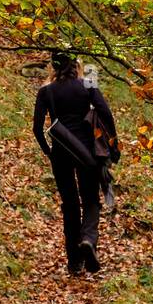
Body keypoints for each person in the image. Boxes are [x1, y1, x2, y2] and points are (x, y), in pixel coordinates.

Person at [33, 51, 119, 275]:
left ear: (53, 66)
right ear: (75, 64)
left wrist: (48, 151)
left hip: (61, 151)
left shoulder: (46, 91)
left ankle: (74, 262)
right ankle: (88, 240)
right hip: (86, 152)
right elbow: (105, 112)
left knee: (70, 205)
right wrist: (113, 144)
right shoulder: (87, 85)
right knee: (90, 199)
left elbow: (37, 128)